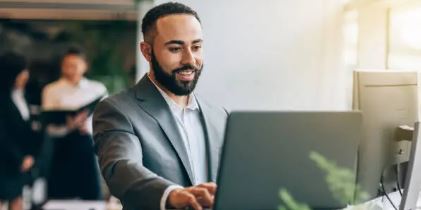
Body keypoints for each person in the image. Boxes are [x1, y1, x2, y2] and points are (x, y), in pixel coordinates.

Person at [93, 2, 228, 210]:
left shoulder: (220, 116)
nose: (189, 59)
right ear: (147, 52)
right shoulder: (118, 110)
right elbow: (121, 168)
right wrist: (173, 194)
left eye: (196, 47)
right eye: (175, 48)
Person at [42, 48, 106, 200]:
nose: (70, 69)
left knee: (90, 196)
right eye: (67, 65)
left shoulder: (97, 89)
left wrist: (88, 127)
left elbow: (106, 121)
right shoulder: (51, 90)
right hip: (61, 147)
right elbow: (48, 123)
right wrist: (68, 125)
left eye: (75, 64)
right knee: (59, 196)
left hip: (87, 145)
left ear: (85, 66)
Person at [0, 52, 39, 210]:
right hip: (5, 161)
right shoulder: (2, 99)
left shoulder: (24, 95)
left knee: (18, 200)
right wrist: (18, 158)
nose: (26, 75)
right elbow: (2, 134)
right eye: (22, 71)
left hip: (21, 163)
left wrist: (30, 155)